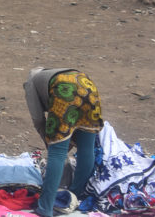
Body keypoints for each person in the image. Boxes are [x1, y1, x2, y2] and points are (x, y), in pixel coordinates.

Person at [24, 68, 103, 217]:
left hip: (64, 91)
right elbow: (75, 125)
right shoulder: (53, 73)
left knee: (57, 153)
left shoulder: (31, 83)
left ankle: (45, 207)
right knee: (87, 148)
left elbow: (38, 120)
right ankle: (74, 196)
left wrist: (51, 142)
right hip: (88, 85)